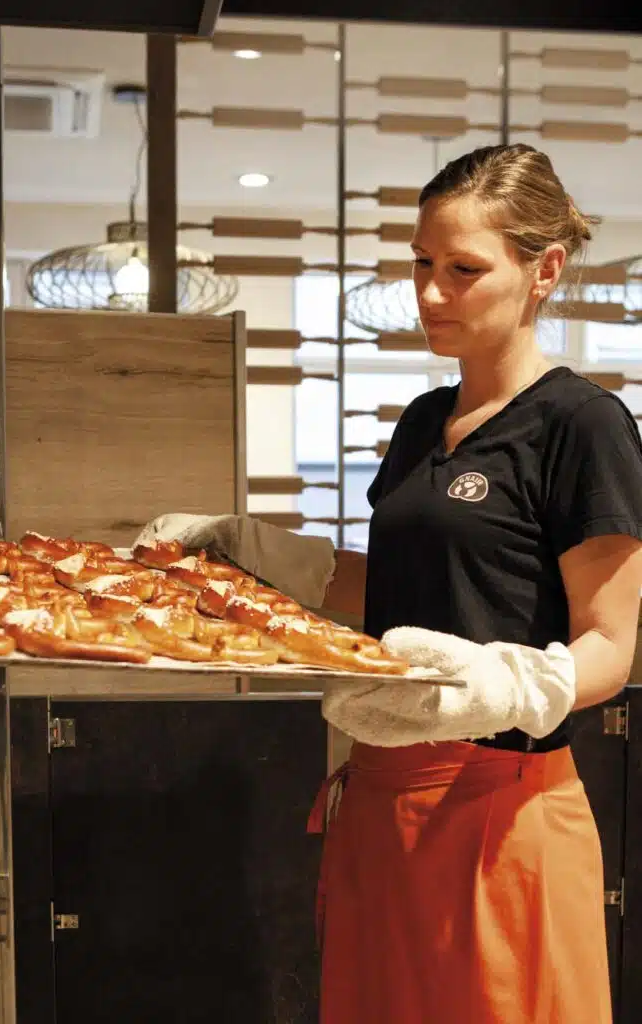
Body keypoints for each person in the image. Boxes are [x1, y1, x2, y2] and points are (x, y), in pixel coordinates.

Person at [137, 143, 642, 1023]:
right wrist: (255, 551)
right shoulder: (421, 424)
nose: (430, 293)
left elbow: (610, 643)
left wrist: (509, 683)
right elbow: (404, 588)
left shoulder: (584, 425)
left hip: (501, 813)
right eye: (420, 263)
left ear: (544, 271)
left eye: (463, 269)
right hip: (378, 800)